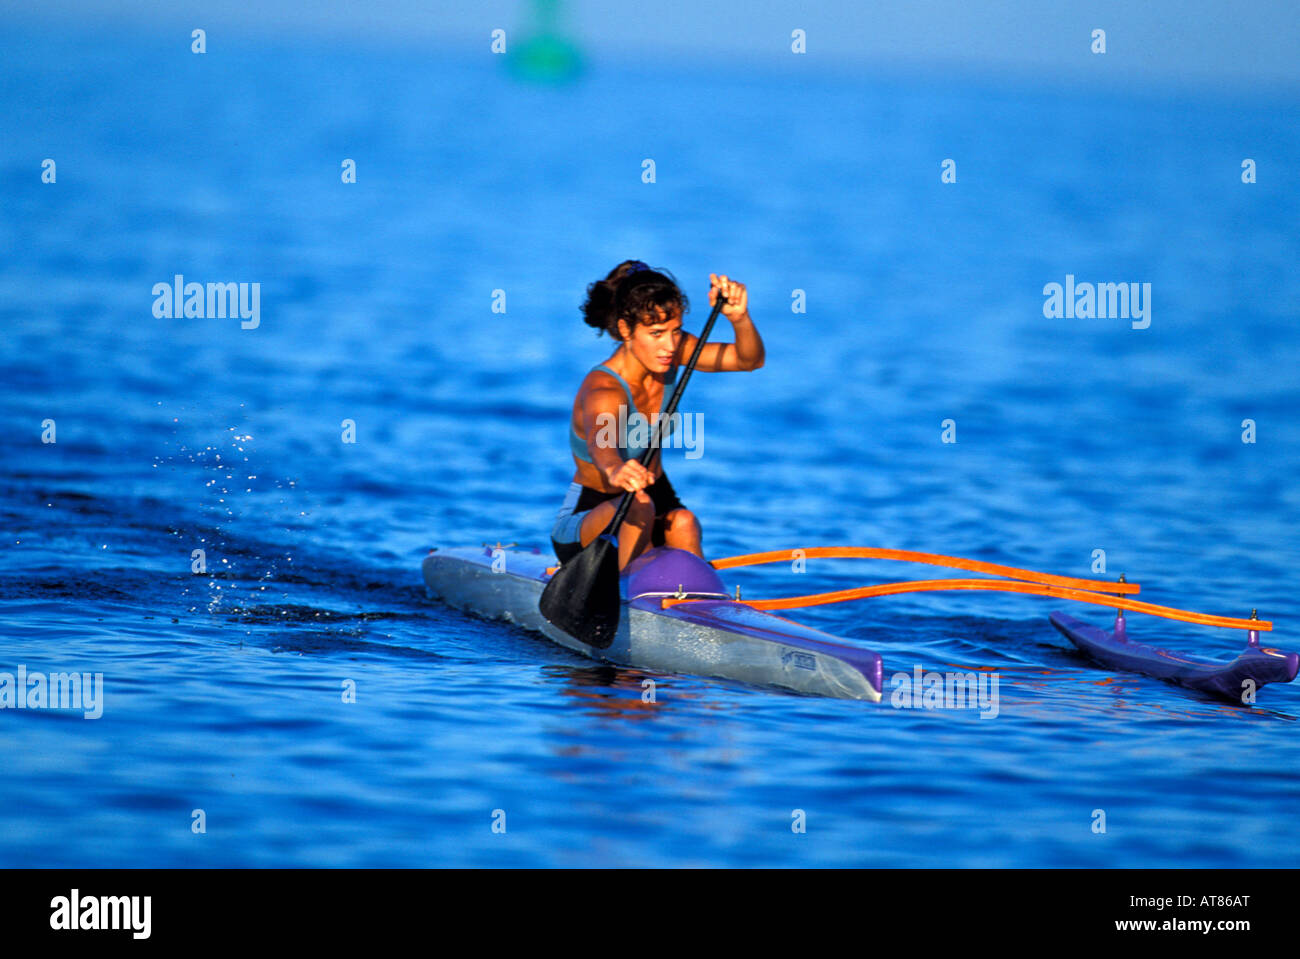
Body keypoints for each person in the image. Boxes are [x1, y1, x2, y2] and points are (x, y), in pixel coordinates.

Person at [550, 260, 765, 570]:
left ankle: (697, 608)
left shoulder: (672, 351)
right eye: (656, 333)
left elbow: (749, 360)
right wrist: (614, 470)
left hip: (656, 497)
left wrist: (740, 318)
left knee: (685, 523)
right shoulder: (603, 389)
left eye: (676, 332)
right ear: (626, 330)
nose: (669, 346)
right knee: (638, 505)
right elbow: (603, 445)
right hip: (593, 512)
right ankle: (629, 592)